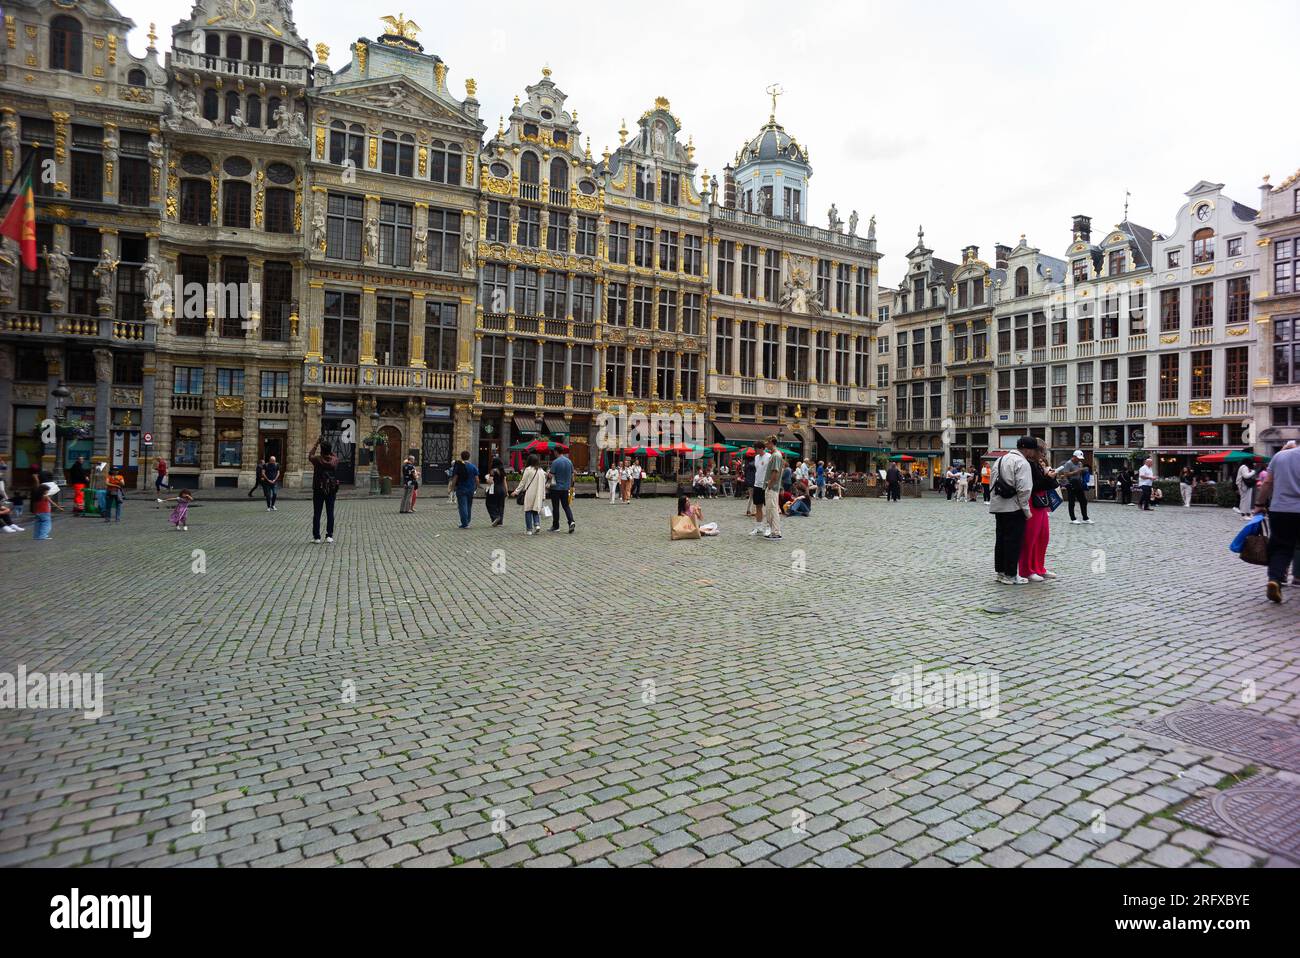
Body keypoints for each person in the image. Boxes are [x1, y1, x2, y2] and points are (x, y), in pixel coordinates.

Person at [1254, 442, 1300, 603]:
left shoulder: (1279, 456)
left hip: (1281, 510)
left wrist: (1259, 504)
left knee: (1280, 547)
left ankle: (1275, 579)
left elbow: (1267, 483)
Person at [990, 436, 1035, 585]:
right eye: (1033, 450)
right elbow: (1024, 488)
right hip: (1014, 507)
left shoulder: (1000, 459)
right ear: (1027, 449)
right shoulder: (1022, 462)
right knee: (1013, 541)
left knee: (1001, 540)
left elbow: (992, 483)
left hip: (999, 506)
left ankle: (1000, 572)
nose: (1033, 453)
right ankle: (1011, 574)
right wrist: (1026, 509)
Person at [1018, 442, 1058, 582]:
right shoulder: (1028, 465)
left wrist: (1049, 476)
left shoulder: (1036, 465)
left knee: (1043, 536)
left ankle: (1038, 567)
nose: (1043, 455)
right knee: (1030, 538)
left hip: (1041, 502)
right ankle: (1026, 570)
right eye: (1042, 452)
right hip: (1032, 502)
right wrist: (1048, 477)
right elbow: (1033, 486)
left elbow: (1048, 484)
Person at [308, 436, 339, 543]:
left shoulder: (317, 460)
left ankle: (317, 537)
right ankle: (329, 535)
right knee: (330, 513)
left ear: (321, 450)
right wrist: (329, 449)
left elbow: (310, 455)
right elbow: (334, 455)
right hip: (331, 489)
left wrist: (317, 443)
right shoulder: (335, 460)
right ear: (330, 451)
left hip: (318, 489)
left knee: (317, 513)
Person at [1056, 450, 1092, 524]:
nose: (1079, 459)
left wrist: (1083, 471)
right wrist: (1077, 471)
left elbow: (1080, 473)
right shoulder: (1068, 463)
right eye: (1078, 458)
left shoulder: (1079, 463)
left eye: (1080, 458)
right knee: (1072, 502)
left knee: (1083, 501)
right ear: (1074, 457)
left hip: (1078, 483)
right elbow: (1065, 474)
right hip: (1070, 484)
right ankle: (1073, 518)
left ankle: (1085, 518)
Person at [547, 448, 576, 533]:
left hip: (555, 488)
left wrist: (547, 473)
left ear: (556, 452)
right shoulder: (569, 461)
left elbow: (551, 476)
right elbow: (572, 475)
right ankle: (571, 521)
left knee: (556, 507)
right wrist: (571, 487)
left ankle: (556, 526)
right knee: (566, 506)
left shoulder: (555, 462)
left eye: (554, 452)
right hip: (565, 488)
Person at [517, 453, 546, 535]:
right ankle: (537, 525)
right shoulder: (541, 471)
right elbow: (543, 485)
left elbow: (523, 482)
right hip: (538, 494)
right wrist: (543, 495)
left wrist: (516, 491)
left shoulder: (528, 470)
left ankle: (529, 529)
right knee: (535, 510)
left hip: (529, 493)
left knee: (528, 510)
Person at [762, 436, 785, 542]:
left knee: (772, 509)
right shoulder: (776, 455)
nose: (766, 445)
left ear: (771, 442)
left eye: (767, 443)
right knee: (771, 509)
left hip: (772, 487)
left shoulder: (776, 455)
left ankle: (776, 532)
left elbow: (775, 472)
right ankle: (774, 531)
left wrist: (770, 485)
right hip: (772, 486)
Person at [451, 450, 479, 529]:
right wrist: (477, 486)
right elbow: (477, 479)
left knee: (462, 506)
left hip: (461, 488)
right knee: (469, 505)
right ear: (469, 457)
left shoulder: (459, 466)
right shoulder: (473, 467)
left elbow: (455, 478)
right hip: (470, 488)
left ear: (461, 457)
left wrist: (452, 487)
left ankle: (465, 523)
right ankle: (467, 521)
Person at [751, 444, 771, 535]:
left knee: (768, 507)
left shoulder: (769, 456)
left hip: (766, 485)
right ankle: (758, 527)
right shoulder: (756, 457)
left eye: (756, 448)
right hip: (757, 484)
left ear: (762, 448)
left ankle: (769, 527)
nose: (755, 450)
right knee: (758, 506)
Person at [484, 457, 509, 526]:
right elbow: (505, 482)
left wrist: (487, 479)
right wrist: (506, 492)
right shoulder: (502, 471)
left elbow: (491, 481)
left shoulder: (493, 471)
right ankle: (500, 522)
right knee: (501, 505)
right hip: (502, 489)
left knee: (489, 504)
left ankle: (495, 517)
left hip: (494, 489)